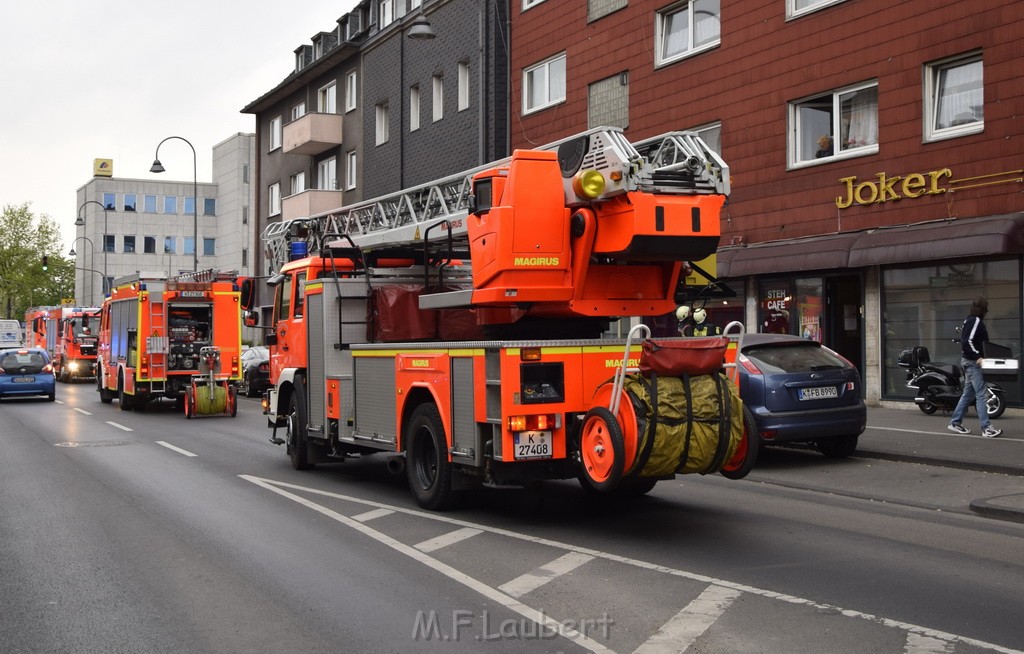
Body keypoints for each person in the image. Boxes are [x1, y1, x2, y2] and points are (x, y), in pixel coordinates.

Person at [949, 297, 1002, 437]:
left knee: (968, 395)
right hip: (973, 363)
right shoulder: (976, 321)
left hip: (968, 362)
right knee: (981, 395)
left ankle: (955, 423)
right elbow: (968, 342)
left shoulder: (969, 320)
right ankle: (986, 428)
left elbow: (967, 341)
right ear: (983, 310)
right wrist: (978, 356)